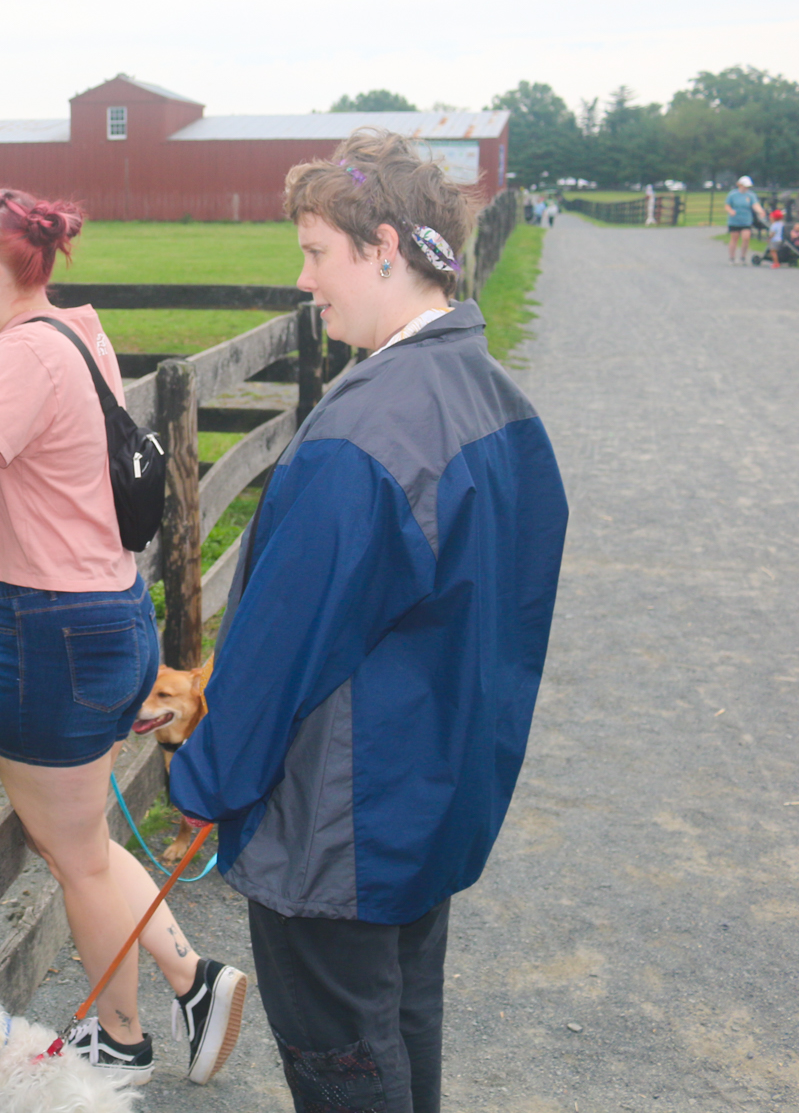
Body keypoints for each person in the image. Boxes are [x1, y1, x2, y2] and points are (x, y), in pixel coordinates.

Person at [169, 129, 569, 1113]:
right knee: (399, 1021)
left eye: (314, 252)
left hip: (340, 823)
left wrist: (207, 781)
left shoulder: (364, 434)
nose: (302, 279)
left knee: (344, 1056)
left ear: (383, 245)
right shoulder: (492, 396)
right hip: (432, 792)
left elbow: (278, 651)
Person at [0, 187, 247, 1089]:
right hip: (112, 615)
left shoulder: (17, 352)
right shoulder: (76, 330)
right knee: (88, 845)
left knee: (77, 856)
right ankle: (182, 991)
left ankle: (142, 1026)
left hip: (53, 631)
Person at [726, 175, 763, 264]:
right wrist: (731, 211)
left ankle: (743, 257)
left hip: (746, 220)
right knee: (734, 239)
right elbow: (727, 205)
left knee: (746, 238)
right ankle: (732, 257)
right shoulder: (733, 194)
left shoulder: (751, 195)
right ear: (740, 185)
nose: (746, 188)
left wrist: (760, 211)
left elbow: (755, 205)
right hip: (734, 220)